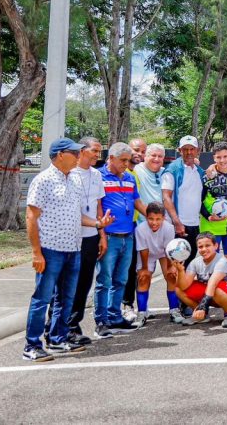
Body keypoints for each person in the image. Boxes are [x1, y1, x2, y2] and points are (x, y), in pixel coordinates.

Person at [23, 138, 114, 362]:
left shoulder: (73, 180)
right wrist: (36, 252)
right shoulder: (43, 180)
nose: (78, 156)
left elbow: (76, 214)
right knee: (42, 298)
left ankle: (57, 338)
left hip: (74, 249)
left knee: (67, 298)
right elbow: (31, 217)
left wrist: (97, 224)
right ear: (60, 154)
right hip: (50, 249)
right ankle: (31, 345)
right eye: (75, 153)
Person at [95, 142, 147, 338]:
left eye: (128, 160)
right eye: (123, 160)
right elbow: (97, 206)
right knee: (104, 280)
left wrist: (153, 217)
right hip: (109, 236)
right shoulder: (99, 177)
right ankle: (101, 320)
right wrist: (101, 235)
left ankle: (115, 317)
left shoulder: (129, 178)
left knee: (121, 279)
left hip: (128, 235)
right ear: (111, 159)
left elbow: (137, 202)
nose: (127, 164)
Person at [65, 136, 106, 345]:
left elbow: (99, 205)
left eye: (99, 152)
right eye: (94, 151)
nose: (98, 156)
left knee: (84, 284)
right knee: (67, 285)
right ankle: (58, 328)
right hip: (72, 237)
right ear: (81, 150)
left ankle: (74, 326)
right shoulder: (70, 175)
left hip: (91, 237)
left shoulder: (97, 175)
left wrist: (102, 235)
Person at [125, 143, 167, 317]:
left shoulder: (166, 172)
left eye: (160, 156)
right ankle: (130, 306)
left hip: (163, 229)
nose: (156, 159)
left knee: (170, 271)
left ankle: (176, 306)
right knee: (140, 271)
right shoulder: (135, 171)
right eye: (151, 155)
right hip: (141, 228)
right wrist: (151, 218)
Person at [173, 232, 227, 327]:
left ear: (216, 246)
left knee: (215, 288)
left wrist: (202, 306)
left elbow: (212, 283)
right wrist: (180, 271)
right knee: (178, 289)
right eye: (200, 247)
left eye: (207, 245)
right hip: (211, 293)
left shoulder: (222, 261)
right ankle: (201, 315)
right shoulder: (195, 262)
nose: (204, 249)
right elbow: (184, 286)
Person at [162, 135, 204, 264]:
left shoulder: (199, 171)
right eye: (185, 149)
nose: (189, 152)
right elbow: (166, 197)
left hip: (195, 225)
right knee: (176, 266)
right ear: (180, 150)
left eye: (192, 149)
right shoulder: (173, 170)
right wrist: (177, 222)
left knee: (189, 263)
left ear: (198, 151)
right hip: (179, 226)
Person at [133, 202, 177, 326]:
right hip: (147, 253)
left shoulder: (169, 228)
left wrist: (170, 267)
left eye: (158, 219)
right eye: (151, 219)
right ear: (146, 217)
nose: (154, 222)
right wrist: (145, 269)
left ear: (163, 218)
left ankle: (174, 310)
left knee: (172, 275)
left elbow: (168, 249)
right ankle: (142, 312)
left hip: (164, 253)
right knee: (143, 278)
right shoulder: (140, 229)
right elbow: (143, 250)